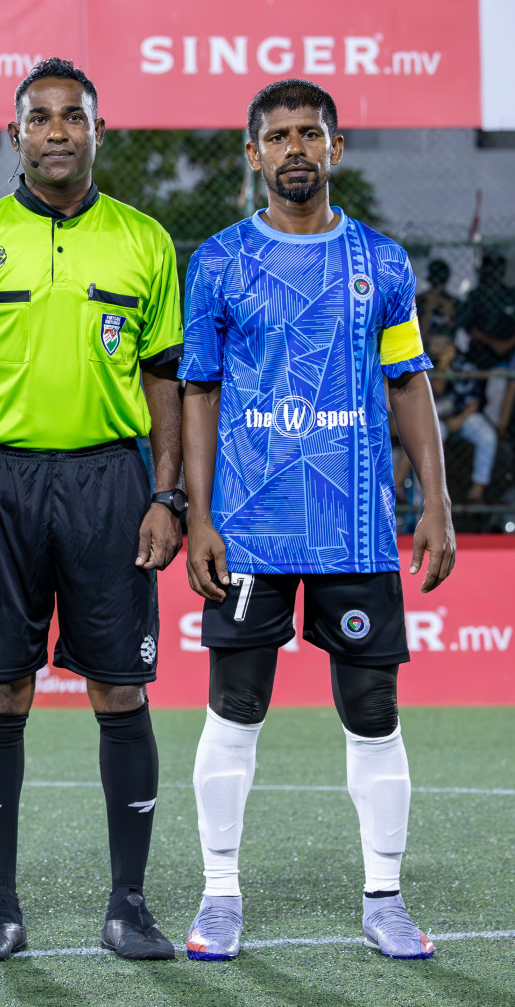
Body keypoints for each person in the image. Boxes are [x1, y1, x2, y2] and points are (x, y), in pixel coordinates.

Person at [0, 57, 184, 962]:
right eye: (42, 117)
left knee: (121, 687)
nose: (58, 130)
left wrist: (167, 493)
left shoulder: (144, 241)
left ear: (97, 131)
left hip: (111, 483)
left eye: (75, 116)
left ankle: (130, 903)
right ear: (16, 132)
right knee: (2, 688)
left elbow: (165, 380)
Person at [180, 79, 456, 962]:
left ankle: (385, 894)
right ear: (253, 153)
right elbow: (199, 391)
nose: (296, 148)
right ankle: (220, 894)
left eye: (311, 133)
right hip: (251, 525)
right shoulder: (218, 261)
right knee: (236, 707)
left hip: (356, 528)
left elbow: (408, 381)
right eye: (278, 136)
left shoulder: (382, 261)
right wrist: (199, 515)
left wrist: (438, 501)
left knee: (373, 711)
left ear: (335, 148)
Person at [429, 332, 498, 504]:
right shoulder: (425, 363)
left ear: (449, 344)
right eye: (432, 342)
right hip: (436, 418)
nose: (434, 345)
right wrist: (443, 365)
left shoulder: (465, 365)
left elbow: (474, 402)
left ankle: (477, 491)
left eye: (438, 342)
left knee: (488, 437)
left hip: (463, 416)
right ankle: (430, 495)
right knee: (429, 442)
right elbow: (436, 391)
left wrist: (459, 419)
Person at [457, 250, 515, 434]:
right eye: (489, 269)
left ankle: (501, 430)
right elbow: (469, 330)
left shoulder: (510, 295)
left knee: (501, 387)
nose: (493, 274)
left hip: (505, 360)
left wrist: (504, 345)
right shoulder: (475, 296)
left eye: (497, 269)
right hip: (477, 358)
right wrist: (490, 341)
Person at [415, 260, 457, 347]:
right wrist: (428, 308)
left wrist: (450, 314)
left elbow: (456, 332)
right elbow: (421, 336)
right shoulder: (420, 300)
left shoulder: (452, 301)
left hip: (446, 345)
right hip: (426, 346)